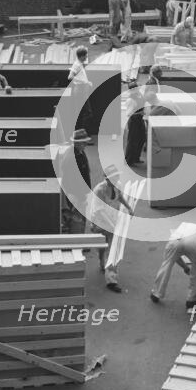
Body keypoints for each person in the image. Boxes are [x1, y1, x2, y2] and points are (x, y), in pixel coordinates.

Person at [88, 165, 134, 293]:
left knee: (110, 247)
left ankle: (110, 278)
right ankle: (105, 268)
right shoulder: (99, 190)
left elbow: (119, 196)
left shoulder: (117, 184)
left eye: (116, 176)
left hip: (111, 217)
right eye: (112, 178)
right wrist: (111, 225)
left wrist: (128, 207)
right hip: (99, 220)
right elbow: (99, 211)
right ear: (106, 179)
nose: (115, 179)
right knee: (107, 246)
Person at [150, 222, 196, 310]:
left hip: (176, 240)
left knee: (167, 264)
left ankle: (156, 293)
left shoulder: (183, 226)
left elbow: (175, 257)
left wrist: (185, 267)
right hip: (194, 242)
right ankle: (191, 300)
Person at [59, 128, 92, 232]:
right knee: (77, 221)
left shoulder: (79, 152)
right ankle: (77, 243)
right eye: (84, 142)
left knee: (80, 219)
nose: (86, 144)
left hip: (80, 195)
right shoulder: (71, 159)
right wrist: (81, 197)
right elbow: (72, 181)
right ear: (77, 143)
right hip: (75, 196)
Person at [68, 46, 94, 134]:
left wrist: (87, 82)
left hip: (82, 91)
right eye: (86, 56)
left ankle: (80, 134)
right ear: (82, 56)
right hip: (80, 91)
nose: (87, 57)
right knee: (86, 113)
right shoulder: (77, 65)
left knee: (82, 113)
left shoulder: (79, 64)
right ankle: (81, 134)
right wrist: (84, 81)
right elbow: (70, 77)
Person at [124, 82, 146, 167]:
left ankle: (136, 158)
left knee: (141, 139)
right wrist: (141, 112)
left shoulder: (139, 95)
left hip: (140, 120)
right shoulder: (130, 99)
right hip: (134, 121)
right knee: (132, 141)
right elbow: (129, 114)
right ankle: (129, 160)